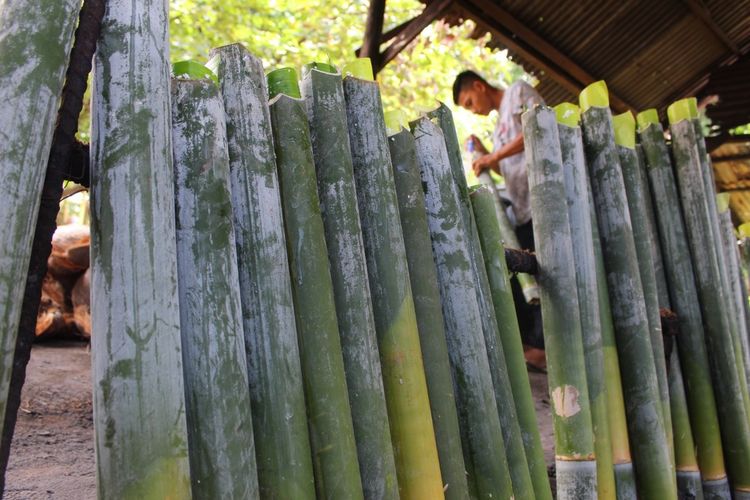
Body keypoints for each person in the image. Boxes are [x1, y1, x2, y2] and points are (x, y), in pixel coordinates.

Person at [453, 70, 546, 370]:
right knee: (528, 280)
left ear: (479, 86)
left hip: (544, 204)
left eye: (469, 102)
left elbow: (537, 129)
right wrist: (487, 154)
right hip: (522, 211)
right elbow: (508, 169)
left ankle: (548, 347)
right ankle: (537, 348)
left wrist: (492, 157)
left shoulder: (518, 92)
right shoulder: (498, 128)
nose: (474, 109)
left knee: (548, 281)